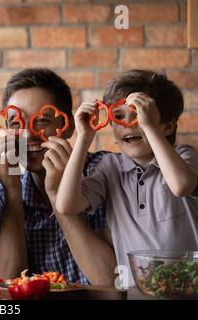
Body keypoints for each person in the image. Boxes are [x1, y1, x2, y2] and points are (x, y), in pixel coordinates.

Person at [55, 69, 198, 286]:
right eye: (119, 117)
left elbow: (181, 186)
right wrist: (83, 139)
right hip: (135, 290)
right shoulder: (109, 168)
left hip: (189, 288)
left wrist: (149, 127)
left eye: (139, 116)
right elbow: (66, 205)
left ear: (167, 126)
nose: (128, 124)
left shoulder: (183, 156)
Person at [0, 68, 116, 285]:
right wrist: (12, 192)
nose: (29, 134)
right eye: (16, 123)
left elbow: (110, 282)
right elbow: (5, 287)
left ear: (67, 127)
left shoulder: (105, 173)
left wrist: (58, 193)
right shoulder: (7, 189)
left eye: (42, 121)